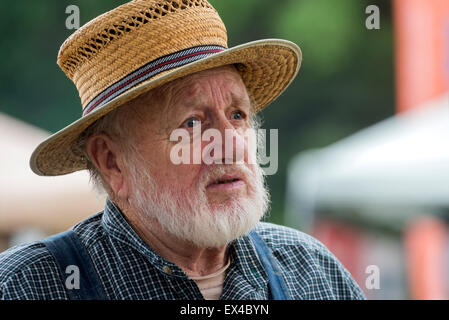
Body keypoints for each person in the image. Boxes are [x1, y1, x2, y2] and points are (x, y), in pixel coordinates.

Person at [0, 0, 365, 300]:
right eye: (192, 123)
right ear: (112, 162)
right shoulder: (26, 287)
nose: (232, 144)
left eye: (237, 115)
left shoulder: (314, 272)